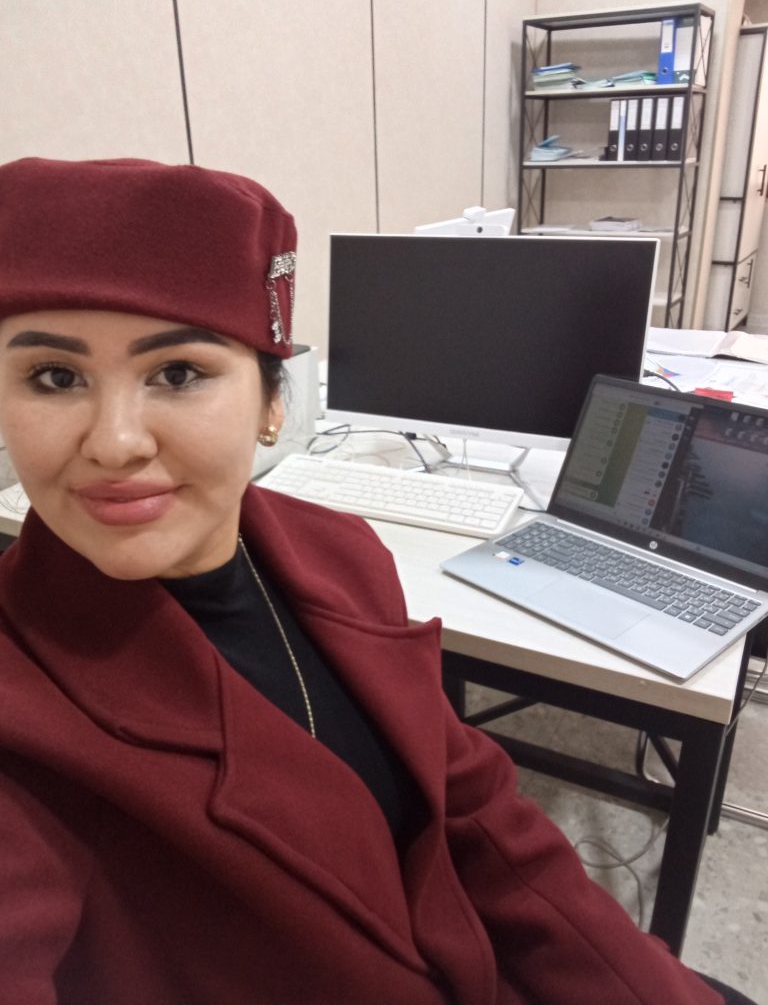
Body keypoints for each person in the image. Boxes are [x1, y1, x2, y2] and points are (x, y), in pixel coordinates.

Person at [0, 156, 754, 1005]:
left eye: (177, 373)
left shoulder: (337, 554)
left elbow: (481, 820)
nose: (115, 443)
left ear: (273, 400)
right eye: (55, 378)